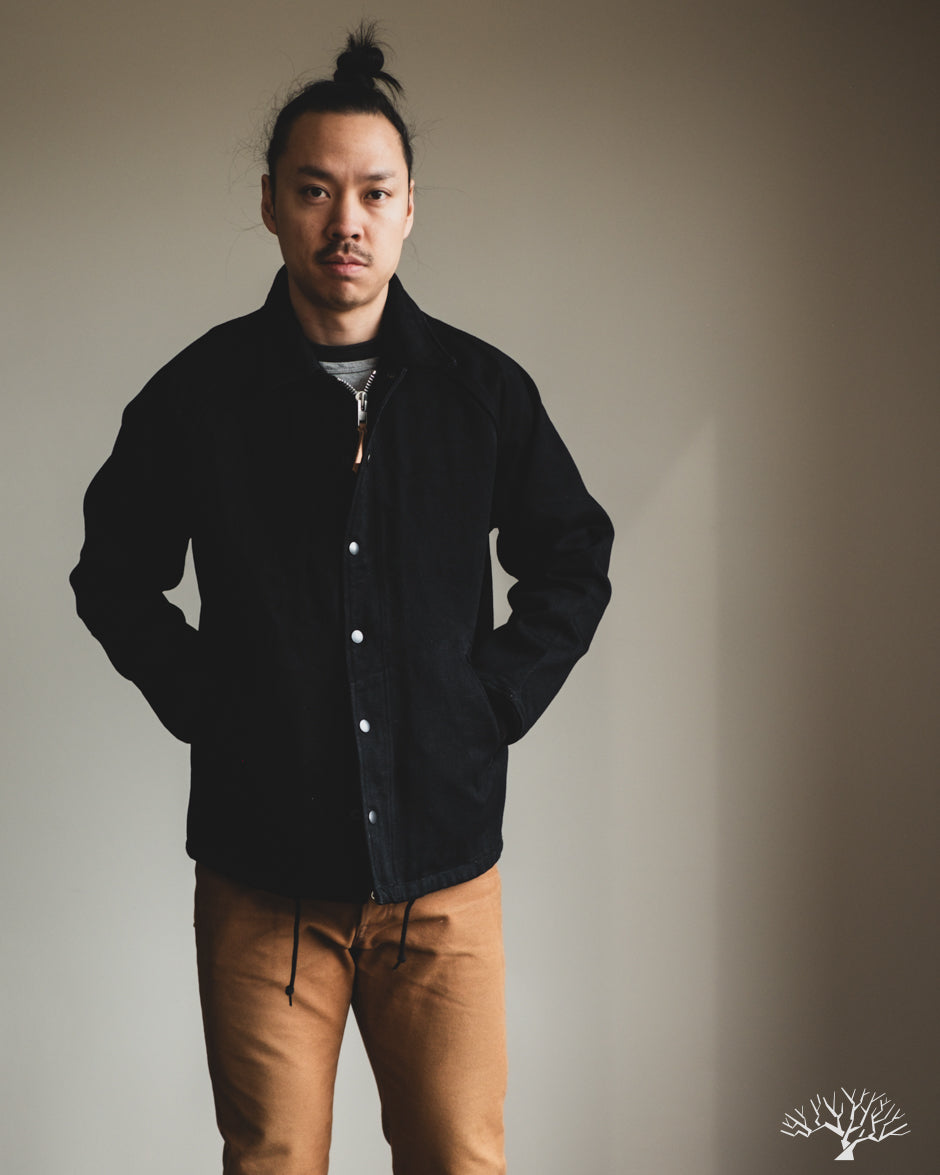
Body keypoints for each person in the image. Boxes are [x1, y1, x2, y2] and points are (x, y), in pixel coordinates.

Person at [70, 24, 613, 1175]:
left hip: (443, 879)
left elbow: (571, 555)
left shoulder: (481, 393)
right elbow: (111, 573)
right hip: (263, 880)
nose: (345, 221)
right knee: (271, 1160)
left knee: (459, 1158)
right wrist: (212, 702)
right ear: (270, 205)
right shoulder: (198, 397)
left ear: (410, 208)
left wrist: (489, 702)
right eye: (315, 190)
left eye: (373, 192)